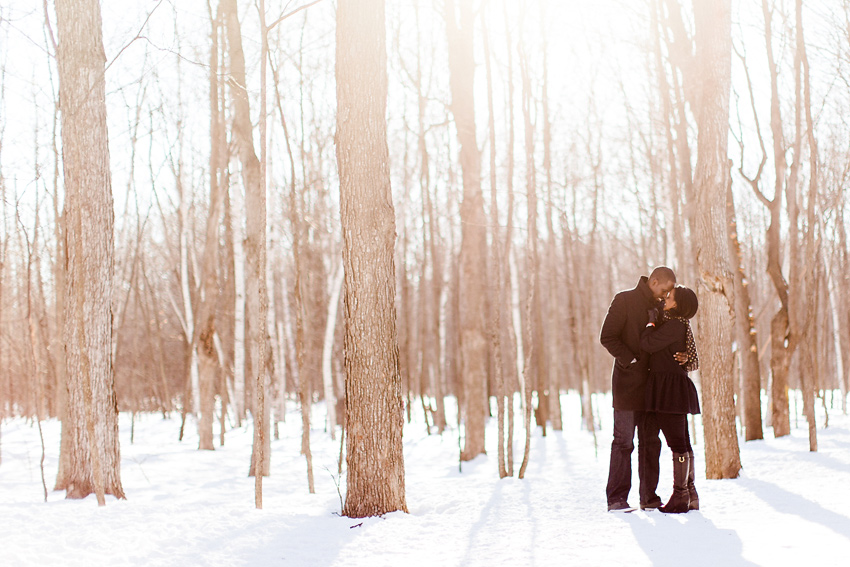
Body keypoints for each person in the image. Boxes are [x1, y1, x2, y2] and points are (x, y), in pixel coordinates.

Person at [600, 266, 678, 512]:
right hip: (627, 384)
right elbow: (608, 337)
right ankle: (616, 499)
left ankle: (649, 497)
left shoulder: (663, 308)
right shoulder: (624, 300)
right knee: (623, 442)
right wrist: (630, 359)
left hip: (654, 387)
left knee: (650, 442)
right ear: (654, 281)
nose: (666, 296)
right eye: (664, 290)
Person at [641, 285, 700, 514]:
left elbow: (647, 343)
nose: (666, 297)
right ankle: (690, 493)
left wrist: (650, 323)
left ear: (677, 305)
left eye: (670, 296)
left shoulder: (675, 324)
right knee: (682, 442)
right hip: (671, 387)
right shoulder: (677, 323)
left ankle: (680, 496)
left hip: (669, 390)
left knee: (678, 443)